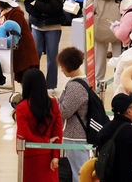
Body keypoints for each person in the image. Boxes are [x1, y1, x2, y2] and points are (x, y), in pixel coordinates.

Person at [16, 69, 62, 182]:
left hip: (28, 154)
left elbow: (25, 134)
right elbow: (58, 131)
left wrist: (45, 141)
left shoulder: (22, 107)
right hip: (49, 155)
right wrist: (56, 155)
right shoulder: (53, 103)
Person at [0, 0, 40, 83]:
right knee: (22, 77)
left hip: (24, 50)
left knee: (27, 77)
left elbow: (11, 30)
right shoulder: (4, 13)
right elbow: (0, 27)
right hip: (17, 50)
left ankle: (28, 96)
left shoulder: (16, 14)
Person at [24, 0, 64, 91]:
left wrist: (38, 5)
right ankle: (34, 84)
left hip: (53, 26)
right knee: (35, 56)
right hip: (36, 25)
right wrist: (38, 9)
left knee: (52, 57)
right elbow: (28, 4)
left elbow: (55, 6)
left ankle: (51, 85)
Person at [56, 47, 90, 182]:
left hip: (76, 136)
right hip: (77, 135)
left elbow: (64, 111)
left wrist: (53, 103)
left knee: (79, 174)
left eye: (63, 67)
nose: (62, 70)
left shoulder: (75, 87)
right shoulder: (80, 82)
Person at [90, 0, 122, 83]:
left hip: (100, 29)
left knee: (99, 57)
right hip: (117, 28)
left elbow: (90, 8)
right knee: (118, 56)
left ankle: (99, 81)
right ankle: (118, 80)